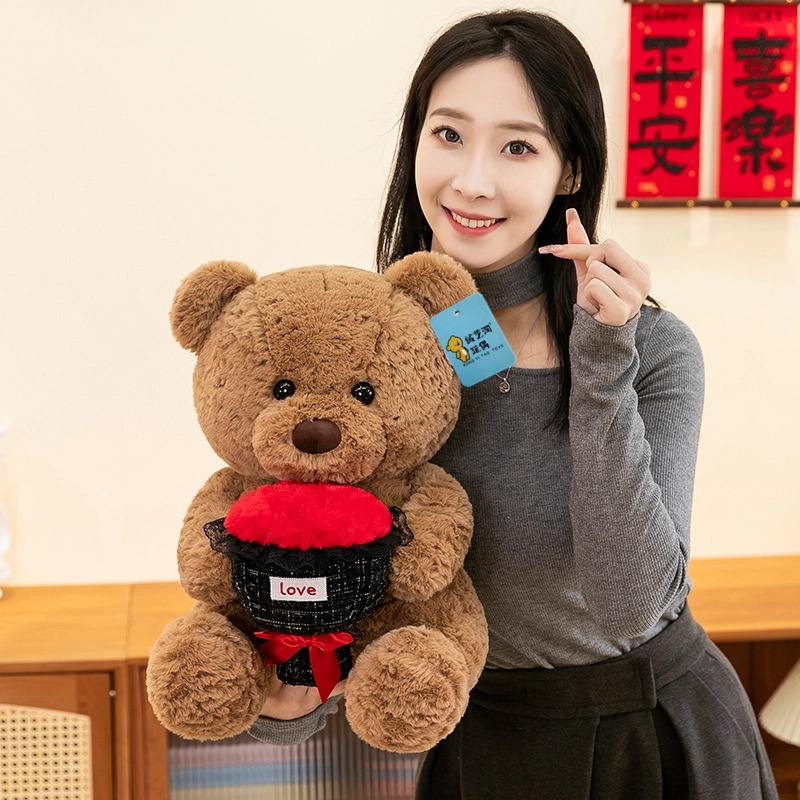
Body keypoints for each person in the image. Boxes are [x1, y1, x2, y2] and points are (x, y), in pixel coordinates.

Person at [250, 9, 778, 799]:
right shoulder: (374, 360)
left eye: (518, 147)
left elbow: (629, 606)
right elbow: (346, 578)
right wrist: (286, 689)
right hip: (481, 735)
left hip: (654, 738)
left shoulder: (653, 351)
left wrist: (601, 363)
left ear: (571, 170)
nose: (472, 181)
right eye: (449, 134)